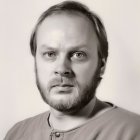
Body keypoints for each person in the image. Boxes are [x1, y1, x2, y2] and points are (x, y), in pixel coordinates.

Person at [4, 1, 140, 140]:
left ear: (101, 66)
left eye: (78, 55)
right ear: (36, 63)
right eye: (50, 54)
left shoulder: (134, 132)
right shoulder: (16, 134)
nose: (62, 69)